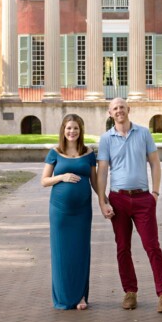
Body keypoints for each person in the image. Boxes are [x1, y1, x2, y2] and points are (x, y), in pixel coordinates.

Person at [97, 98, 162, 313]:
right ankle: (130, 292)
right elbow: (102, 171)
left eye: (122, 107)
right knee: (123, 249)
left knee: (152, 246)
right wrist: (102, 201)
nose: (119, 111)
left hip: (143, 199)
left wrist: (155, 193)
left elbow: (155, 163)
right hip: (118, 199)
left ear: (128, 110)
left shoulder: (143, 133)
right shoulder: (106, 139)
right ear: (110, 113)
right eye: (115, 108)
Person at [41, 114, 97, 310]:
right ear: (63, 130)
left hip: (82, 212)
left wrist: (105, 201)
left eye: (75, 128)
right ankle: (64, 298)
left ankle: (81, 296)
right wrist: (62, 176)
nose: (72, 132)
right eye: (68, 128)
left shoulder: (89, 153)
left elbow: (95, 181)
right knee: (61, 253)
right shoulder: (55, 152)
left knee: (81, 251)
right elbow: (44, 180)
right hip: (60, 212)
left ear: (80, 131)